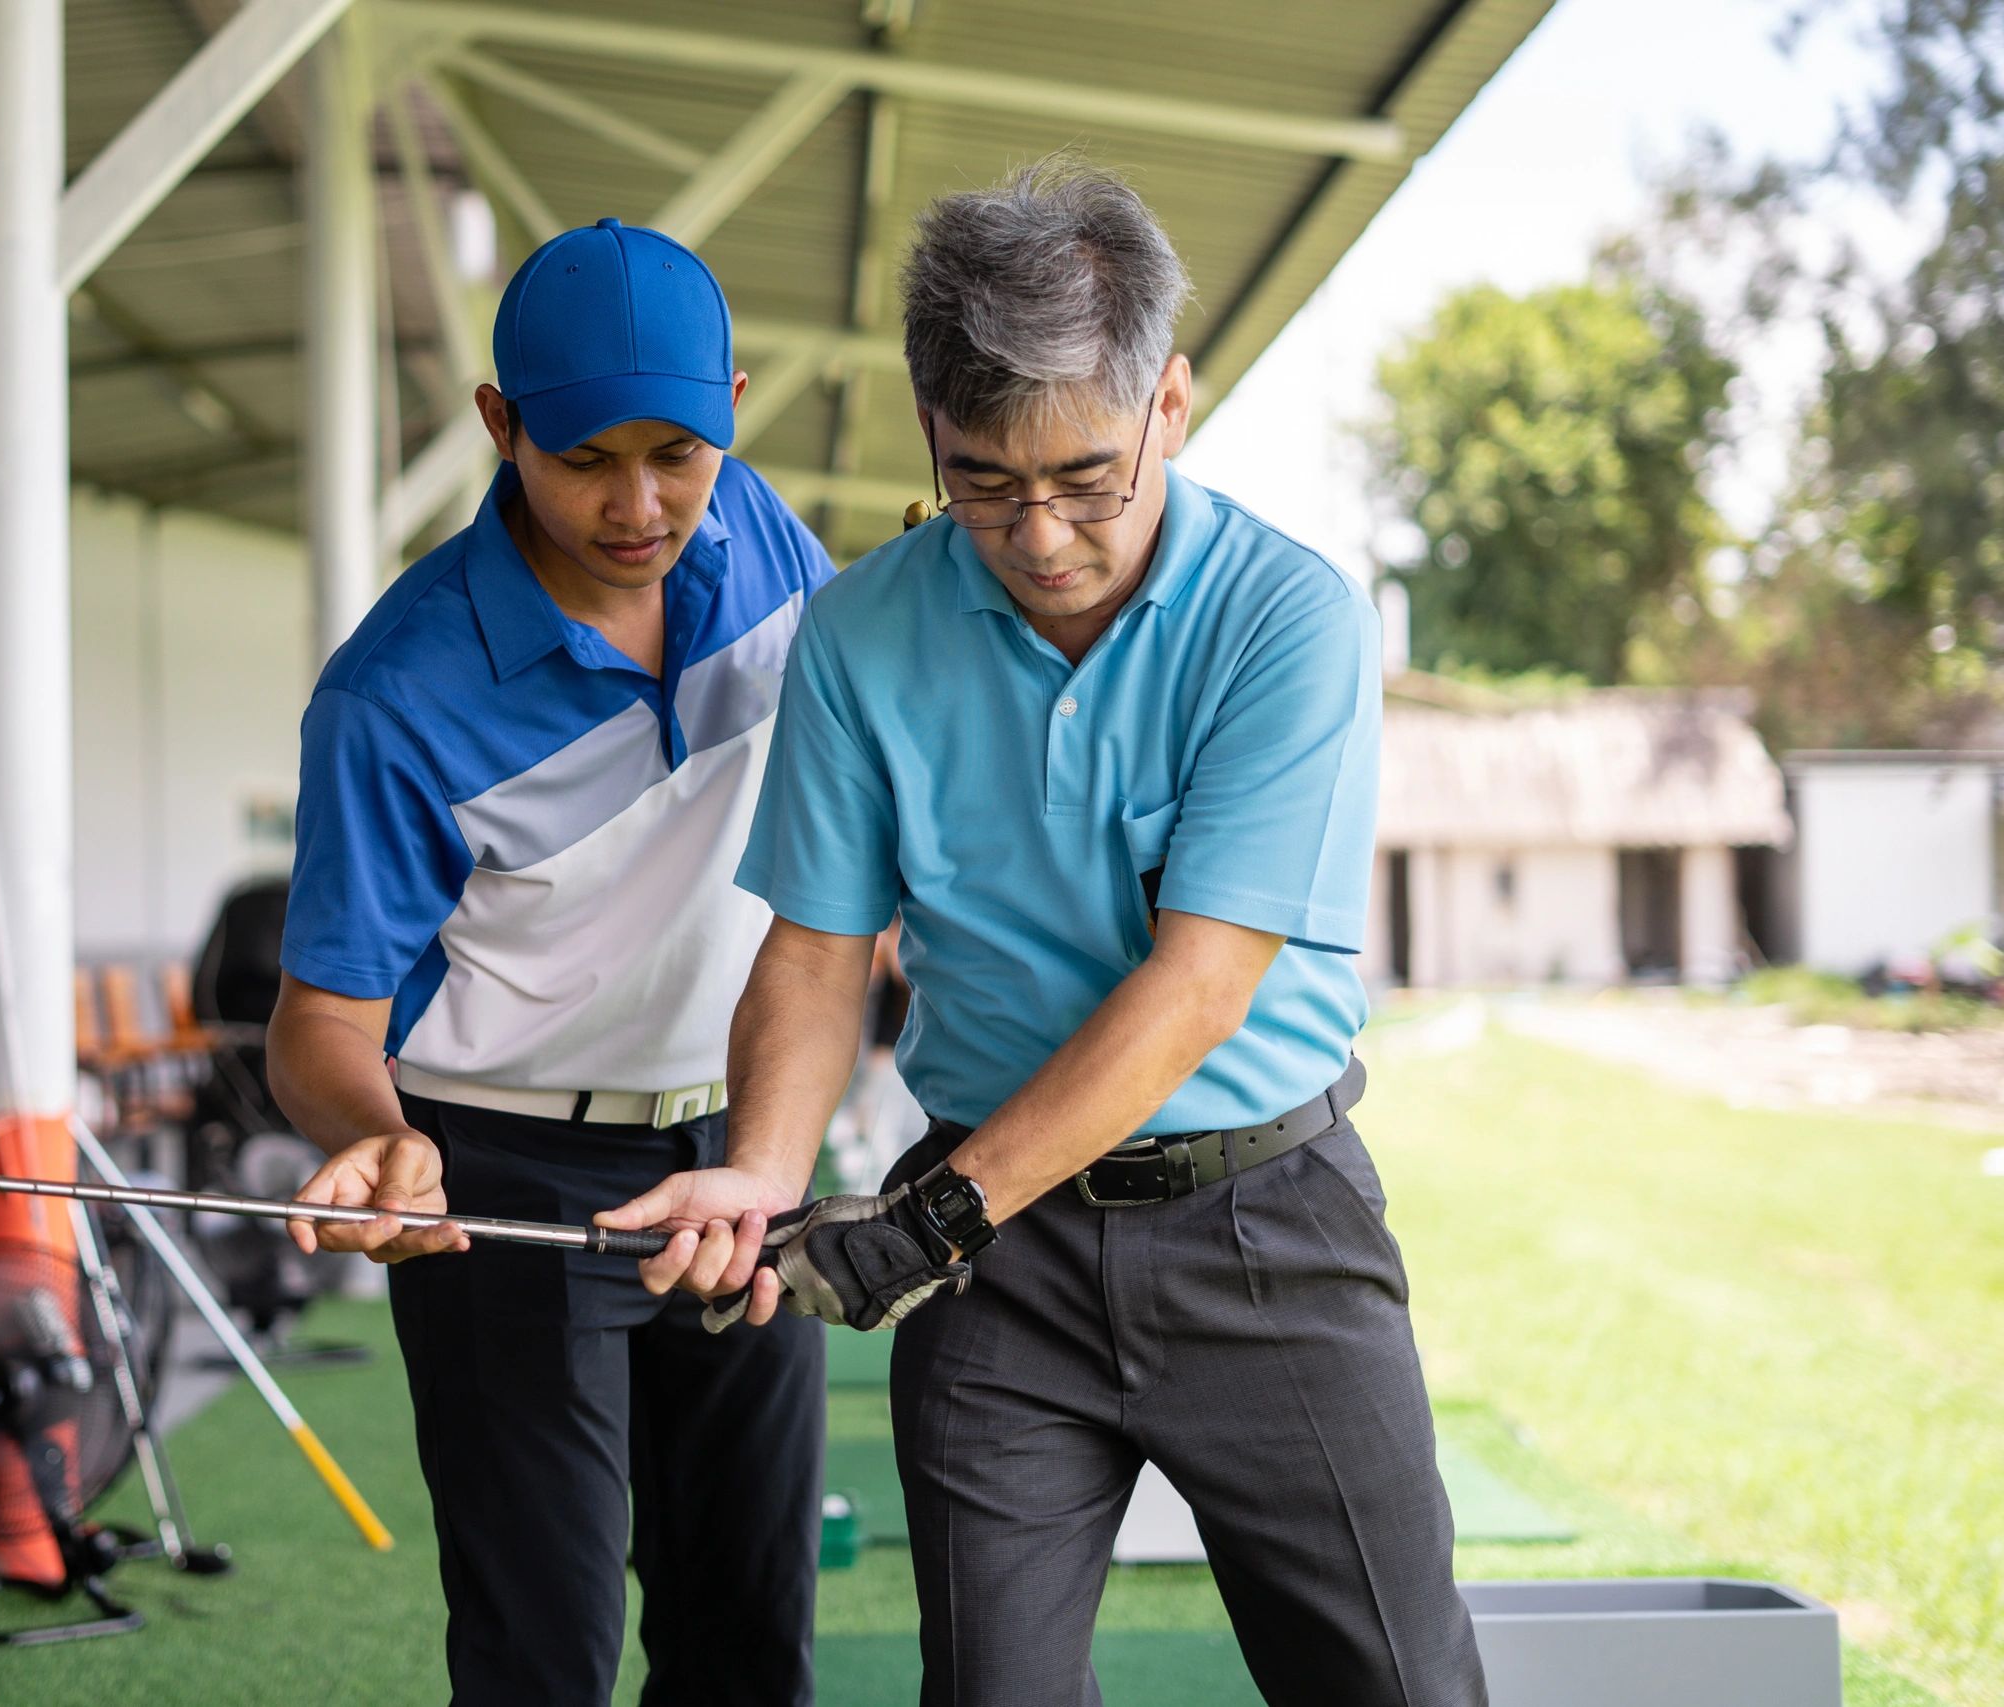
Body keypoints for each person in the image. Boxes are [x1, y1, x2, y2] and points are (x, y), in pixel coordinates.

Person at [602, 161, 1490, 1707]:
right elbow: (818, 949)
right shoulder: (863, 632)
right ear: (932, 440)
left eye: (1086, 478)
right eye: (985, 485)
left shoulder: (1289, 621)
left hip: (1262, 1225)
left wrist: (934, 1217)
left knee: (1396, 1687)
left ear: (1171, 406)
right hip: (1001, 1277)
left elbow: (1198, 985)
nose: (1042, 535)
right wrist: (763, 1171)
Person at [266, 217, 833, 1707]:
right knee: (545, 1659)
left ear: (733, 413)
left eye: (679, 453)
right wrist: (382, 1144)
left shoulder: (764, 532)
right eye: (587, 459)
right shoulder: (393, 698)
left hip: (739, 1152)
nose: (641, 505)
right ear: (501, 427)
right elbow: (319, 1022)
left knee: (750, 1636)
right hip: (502, 1183)